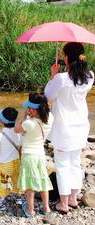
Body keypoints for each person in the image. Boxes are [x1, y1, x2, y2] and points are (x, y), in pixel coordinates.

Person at [44, 42, 94, 213]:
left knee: (63, 165)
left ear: (67, 58)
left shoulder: (62, 78)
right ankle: (73, 198)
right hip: (80, 127)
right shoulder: (90, 77)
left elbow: (48, 96)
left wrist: (53, 75)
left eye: (64, 55)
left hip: (63, 128)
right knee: (75, 163)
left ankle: (63, 203)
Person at [14, 93, 54, 217]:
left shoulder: (29, 123)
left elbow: (16, 129)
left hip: (29, 155)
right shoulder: (50, 118)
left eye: (29, 108)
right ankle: (46, 208)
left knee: (30, 185)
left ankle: (30, 210)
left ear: (33, 109)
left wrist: (24, 116)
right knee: (43, 181)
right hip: (40, 155)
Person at [0, 107, 22, 211]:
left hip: (6, 164)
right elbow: (21, 148)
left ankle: (0, 202)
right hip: (17, 162)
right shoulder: (18, 133)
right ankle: (19, 197)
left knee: (3, 181)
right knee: (17, 180)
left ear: (1, 121)